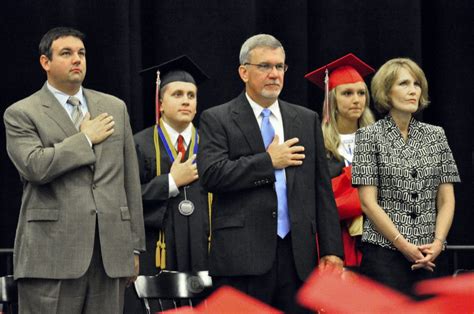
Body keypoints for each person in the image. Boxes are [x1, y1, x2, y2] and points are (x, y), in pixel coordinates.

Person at [197, 34, 344, 313]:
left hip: (297, 258)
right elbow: (212, 175)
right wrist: (268, 161)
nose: (274, 74)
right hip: (242, 259)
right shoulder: (217, 118)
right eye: (264, 66)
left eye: (280, 67)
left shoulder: (305, 119)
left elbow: (321, 189)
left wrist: (332, 250)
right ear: (243, 72)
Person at [3, 27, 145, 313]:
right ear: (46, 62)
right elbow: (35, 166)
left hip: (109, 253)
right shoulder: (21, 112)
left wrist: (134, 246)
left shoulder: (114, 107)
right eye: (66, 53)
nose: (76, 60)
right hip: (51, 254)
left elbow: (129, 180)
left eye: (81, 53)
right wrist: (85, 139)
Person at [351, 57, 461, 296]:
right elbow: (368, 203)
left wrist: (438, 243)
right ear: (386, 92)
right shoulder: (368, 136)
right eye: (403, 84)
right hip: (384, 257)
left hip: (429, 256)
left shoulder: (436, 135)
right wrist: (403, 245)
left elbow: (446, 200)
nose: (413, 90)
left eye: (416, 84)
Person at [124, 56, 210, 313]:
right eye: (177, 94)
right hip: (156, 248)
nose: (186, 101)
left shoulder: (212, 144)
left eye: (191, 95)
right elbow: (125, 199)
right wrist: (171, 182)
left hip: (203, 247)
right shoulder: (138, 145)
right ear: (160, 103)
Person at [305, 53, 375, 268]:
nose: (356, 99)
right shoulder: (316, 144)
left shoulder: (378, 140)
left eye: (361, 93)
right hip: (334, 240)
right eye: (347, 93)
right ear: (332, 98)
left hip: (378, 240)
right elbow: (319, 199)